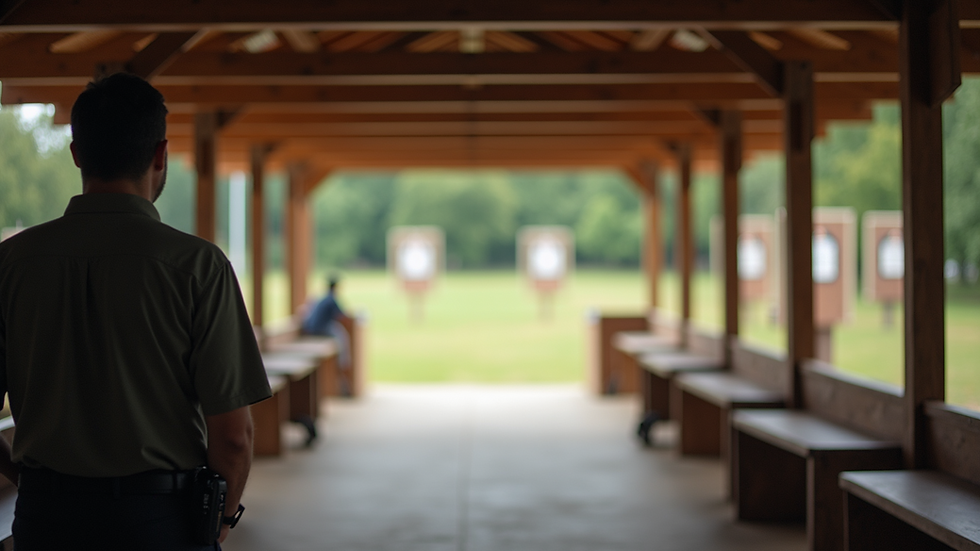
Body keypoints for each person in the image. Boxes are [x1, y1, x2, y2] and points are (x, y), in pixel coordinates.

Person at [0, 73, 272, 550]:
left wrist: (25, 478)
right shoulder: (197, 266)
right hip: (159, 519)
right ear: (160, 154)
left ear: (77, 154)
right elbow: (232, 436)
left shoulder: (11, 264)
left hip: (45, 517)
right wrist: (221, 519)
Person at [302, 275, 353, 395]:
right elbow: (342, 317)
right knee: (342, 337)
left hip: (312, 329)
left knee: (338, 332)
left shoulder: (323, 298)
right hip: (319, 330)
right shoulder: (331, 299)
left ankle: (343, 372)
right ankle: (344, 365)